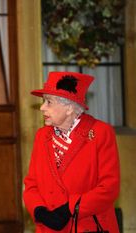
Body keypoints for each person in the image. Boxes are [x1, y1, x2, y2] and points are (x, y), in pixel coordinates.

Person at [23, 71, 120, 233]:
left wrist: (70, 208)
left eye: (48, 102)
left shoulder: (101, 133)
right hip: (49, 228)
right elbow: (31, 184)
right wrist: (39, 210)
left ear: (68, 108)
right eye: (43, 102)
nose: (42, 107)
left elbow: (109, 188)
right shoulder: (42, 136)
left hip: (87, 226)